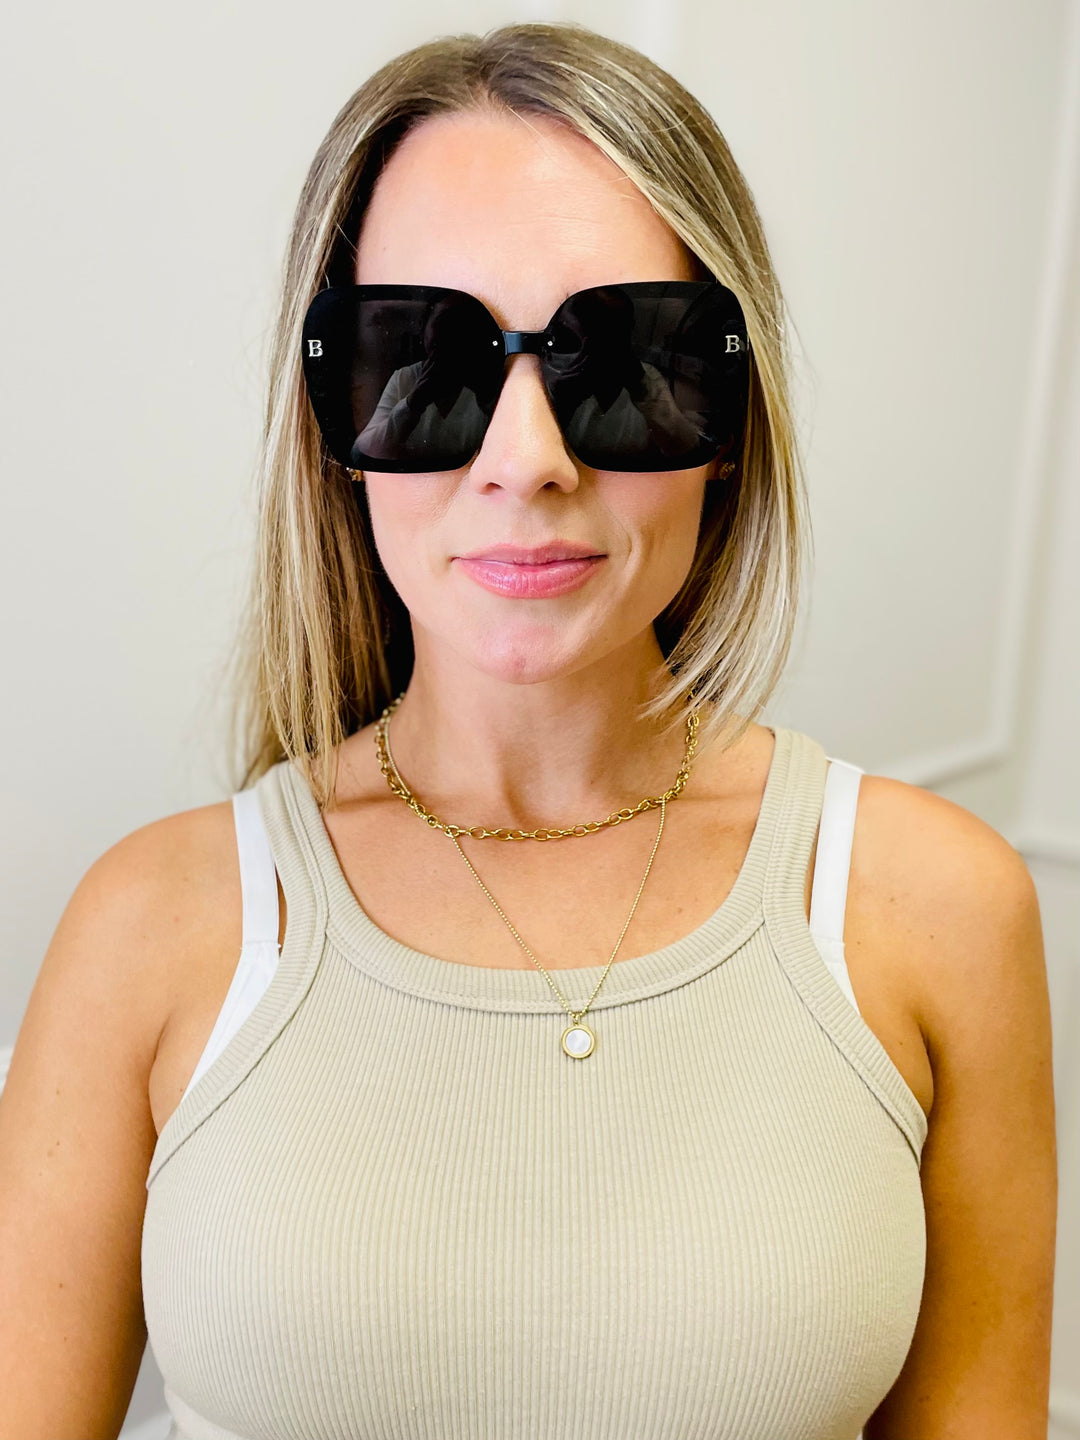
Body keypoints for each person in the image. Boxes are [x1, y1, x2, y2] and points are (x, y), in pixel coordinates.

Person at [0, 21, 1056, 1440]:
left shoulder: (937, 913)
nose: (528, 460)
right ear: (335, 423)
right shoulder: (150, 927)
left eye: (620, 359)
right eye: (425, 359)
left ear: (730, 418)